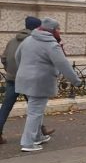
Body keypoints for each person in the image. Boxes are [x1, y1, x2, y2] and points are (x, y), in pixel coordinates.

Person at [14, 18, 81, 152]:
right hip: (40, 82)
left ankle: (37, 136)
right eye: (58, 29)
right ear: (52, 30)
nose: (59, 31)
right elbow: (63, 64)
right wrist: (76, 80)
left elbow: (17, 56)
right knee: (35, 112)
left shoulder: (28, 40)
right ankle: (27, 143)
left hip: (25, 79)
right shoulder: (51, 45)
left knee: (36, 110)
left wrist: (24, 71)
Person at [0, 17, 56, 145]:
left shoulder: (12, 41)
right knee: (35, 108)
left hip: (12, 79)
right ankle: (39, 132)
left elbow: (4, 58)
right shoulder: (34, 42)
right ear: (37, 27)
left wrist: (10, 70)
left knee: (6, 107)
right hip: (29, 80)